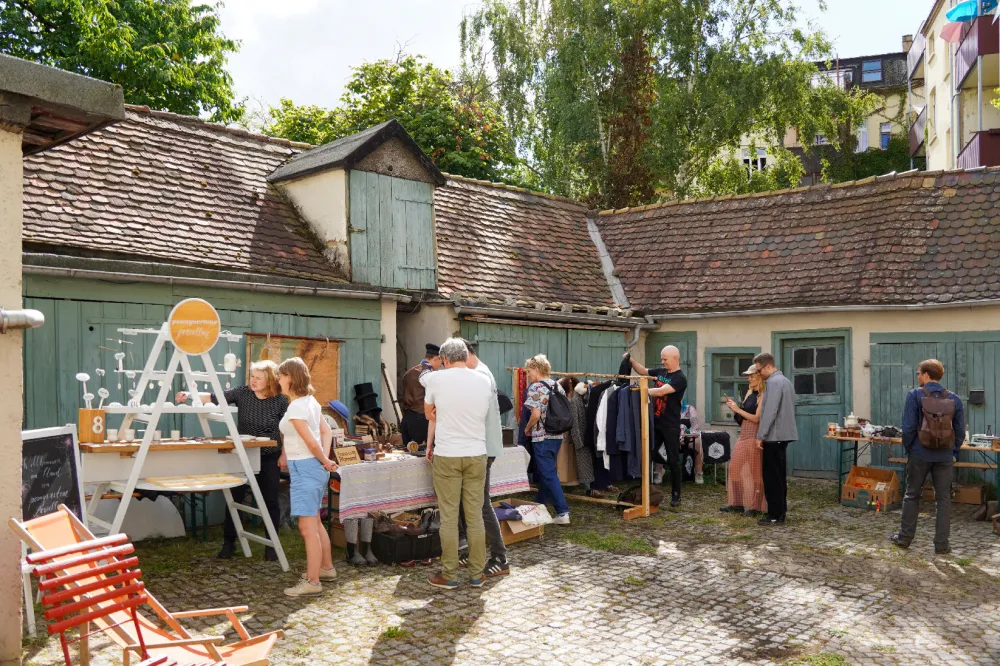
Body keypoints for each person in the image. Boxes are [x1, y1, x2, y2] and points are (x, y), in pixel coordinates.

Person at [176, 360, 287, 561]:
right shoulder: (242, 393)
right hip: (242, 456)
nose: (253, 381)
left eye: (258, 378)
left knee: (270, 500)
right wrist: (189, 395)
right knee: (233, 498)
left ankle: (272, 544)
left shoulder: (280, 400)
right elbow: (213, 397)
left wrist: (284, 454)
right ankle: (229, 543)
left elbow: (286, 430)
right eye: (252, 376)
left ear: (269, 379)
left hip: (269, 457)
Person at [423, 338, 493, 590]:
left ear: (444, 359)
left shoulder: (435, 379)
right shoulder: (483, 380)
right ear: (465, 356)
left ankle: (449, 574)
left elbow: (428, 413)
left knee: (450, 517)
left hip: (448, 453)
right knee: (475, 516)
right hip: (476, 452)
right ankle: (476, 573)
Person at [276, 357, 338, 597]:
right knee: (314, 522)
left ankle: (312, 582)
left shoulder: (297, 406)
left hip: (305, 468)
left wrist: (323, 460)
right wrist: (322, 461)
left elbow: (312, 441)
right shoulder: (309, 401)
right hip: (310, 466)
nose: (279, 380)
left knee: (306, 528)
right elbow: (326, 432)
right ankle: (326, 568)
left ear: (290, 378)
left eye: (281, 376)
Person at [890, 359, 965, 555]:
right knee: (943, 499)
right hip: (945, 456)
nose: (917, 377)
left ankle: (904, 539)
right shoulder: (954, 399)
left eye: (918, 373)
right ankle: (942, 546)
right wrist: (954, 452)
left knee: (912, 495)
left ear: (925, 375)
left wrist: (910, 448)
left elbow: (907, 428)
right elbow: (959, 430)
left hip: (919, 453)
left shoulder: (915, 395)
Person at [454, 339, 509, 578]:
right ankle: (472, 551)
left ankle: (500, 557)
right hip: (477, 447)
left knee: (482, 503)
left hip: (482, 449)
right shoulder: (477, 373)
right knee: (471, 502)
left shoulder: (480, 376)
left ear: (464, 355)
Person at [627, 346, 688, 507]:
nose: (662, 361)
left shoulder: (680, 378)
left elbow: (661, 392)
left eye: (665, 359)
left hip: (670, 425)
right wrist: (631, 361)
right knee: (649, 454)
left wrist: (640, 389)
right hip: (655, 422)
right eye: (662, 358)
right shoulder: (661, 372)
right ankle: (646, 490)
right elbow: (644, 371)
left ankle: (676, 495)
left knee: (673, 460)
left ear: (675, 358)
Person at [524, 354, 572, 524]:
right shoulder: (557, 386)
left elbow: (535, 414)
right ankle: (539, 505)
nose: (528, 375)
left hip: (541, 436)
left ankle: (562, 512)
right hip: (557, 435)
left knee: (549, 473)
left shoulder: (536, 387)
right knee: (547, 471)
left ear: (537, 370)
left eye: (529, 371)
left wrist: (527, 428)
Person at [753, 352, 798, 527]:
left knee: (772, 477)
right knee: (779, 476)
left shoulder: (773, 383)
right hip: (784, 434)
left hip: (773, 436)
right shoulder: (786, 381)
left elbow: (770, 411)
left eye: (759, 370)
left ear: (768, 366)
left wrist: (761, 436)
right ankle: (780, 511)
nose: (759, 374)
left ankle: (775, 514)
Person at [720, 366, 767, 517]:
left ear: (759, 376)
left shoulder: (763, 394)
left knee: (755, 472)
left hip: (754, 433)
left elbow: (756, 418)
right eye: (748, 376)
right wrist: (735, 407)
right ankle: (736, 502)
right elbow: (744, 414)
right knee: (734, 467)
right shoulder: (749, 391)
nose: (749, 378)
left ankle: (756, 506)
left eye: (752, 376)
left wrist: (737, 410)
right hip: (744, 433)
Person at [399, 344, 442, 446]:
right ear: (436, 358)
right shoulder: (430, 375)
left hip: (407, 418)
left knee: (409, 455)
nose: (441, 365)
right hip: (423, 419)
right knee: (423, 456)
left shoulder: (409, 372)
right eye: (441, 362)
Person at [560, 376, 596, 493]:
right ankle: (584, 486)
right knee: (576, 461)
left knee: (582, 461)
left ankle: (586, 486)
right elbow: (574, 421)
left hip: (581, 435)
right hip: (575, 436)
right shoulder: (575, 401)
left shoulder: (583, 398)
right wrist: (578, 440)